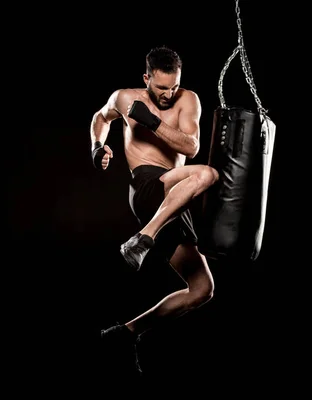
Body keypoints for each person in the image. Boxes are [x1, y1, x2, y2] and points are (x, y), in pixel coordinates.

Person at [91, 45, 219, 376]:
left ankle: (124, 334)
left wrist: (151, 122)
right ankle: (144, 237)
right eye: (161, 88)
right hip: (147, 188)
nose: (168, 94)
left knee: (202, 290)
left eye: (173, 87)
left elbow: (191, 146)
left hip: (175, 196)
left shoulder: (188, 100)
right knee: (207, 174)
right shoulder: (125, 97)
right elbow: (99, 118)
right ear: (147, 78)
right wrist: (97, 147)